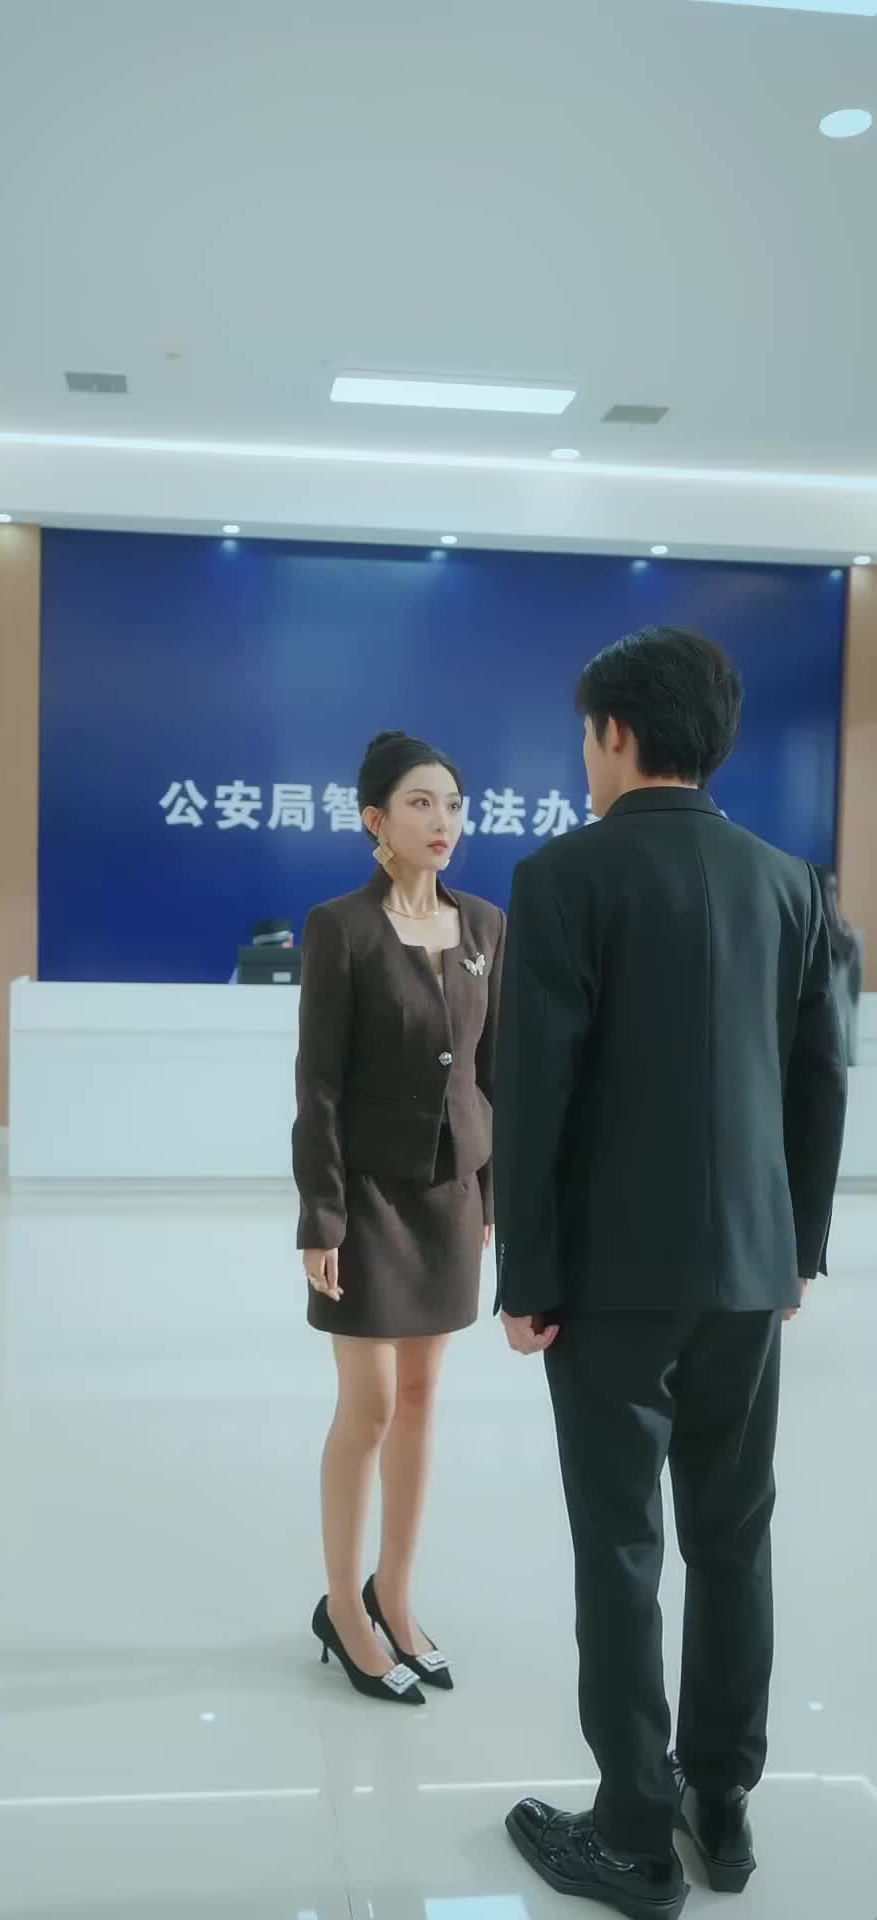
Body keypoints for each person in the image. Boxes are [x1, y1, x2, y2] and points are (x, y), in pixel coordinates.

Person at [492, 628, 847, 1920]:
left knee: (623, 1545)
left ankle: (636, 1837)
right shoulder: (791, 887)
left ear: (618, 734)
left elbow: (535, 1090)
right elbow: (821, 1080)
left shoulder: (563, 876)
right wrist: (795, 1249)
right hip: (749, 1270)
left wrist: (527, 1274)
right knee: (734, 1536)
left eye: (588, 734)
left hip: (609, 1278)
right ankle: (723, 1805)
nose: (585, 755)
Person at [293, 730, 505, 1706]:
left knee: (423, 1397)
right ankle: (343, 1607)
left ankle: (397, 1593)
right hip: (368, 1197)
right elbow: (319, 1085)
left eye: (453, 803)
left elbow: (494, 1073)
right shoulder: (341, 927)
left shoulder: (486, 927)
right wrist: (321, 1216)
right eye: (421, 803)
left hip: (451, 1194)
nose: (442, 821)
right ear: (376, 819)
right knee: (370, 1405)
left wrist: (494, 1194)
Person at [815, 866, 864, 1066]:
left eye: (834, 890)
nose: (832, 898)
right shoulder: (812, 934)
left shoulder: (849, 935)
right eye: (827, 890)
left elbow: (854, 994)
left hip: (843, 1038)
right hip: (820, 1039)